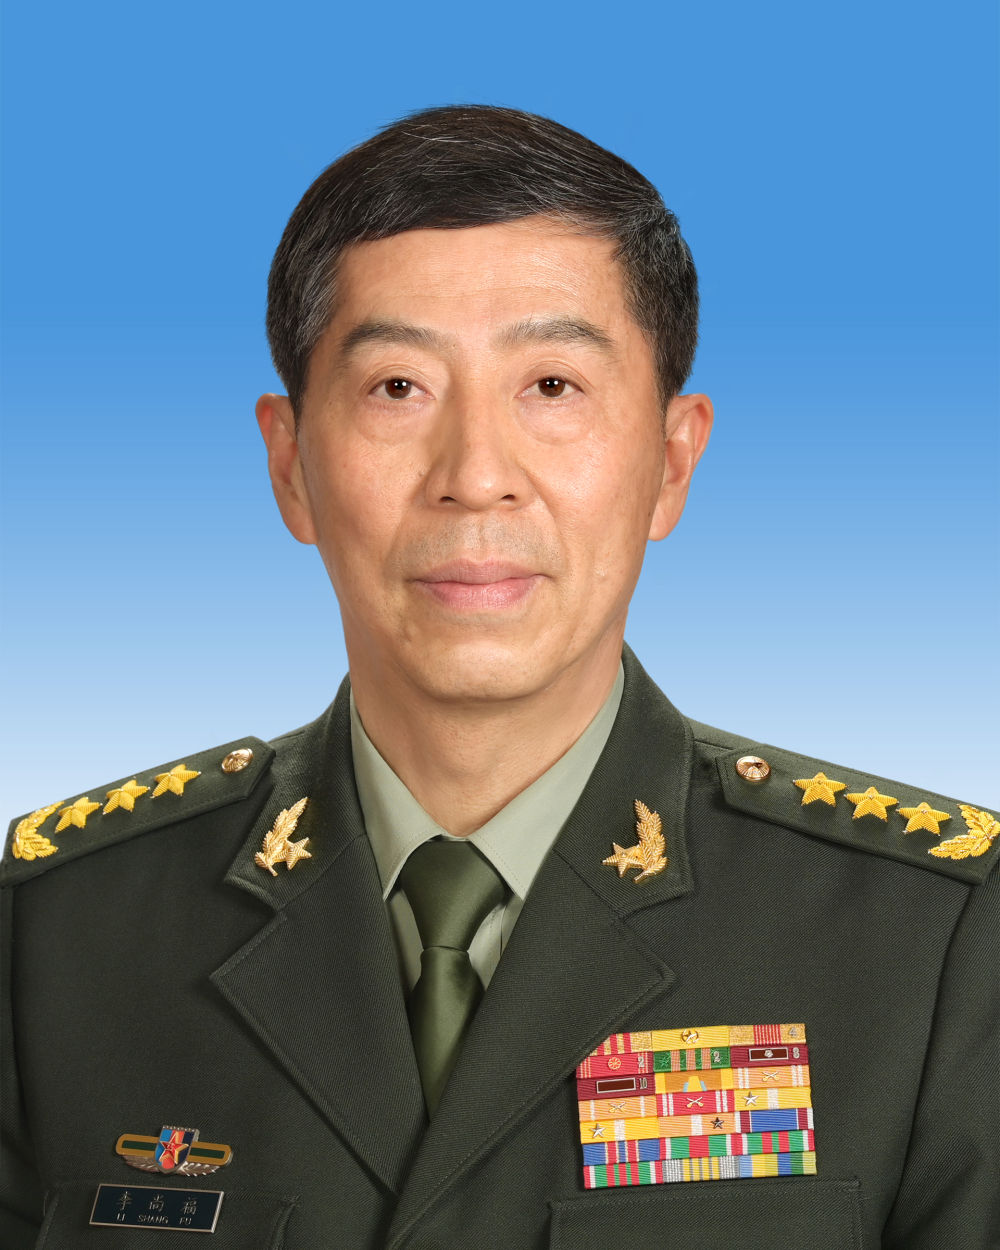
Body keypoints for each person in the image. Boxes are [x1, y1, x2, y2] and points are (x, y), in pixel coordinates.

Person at [2, 105, 997, 1250]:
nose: (475, 476)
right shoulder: (57, 930)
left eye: (552, 385)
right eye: (397, 388)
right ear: (291, 466)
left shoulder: (931, 936)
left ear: (672, 460)